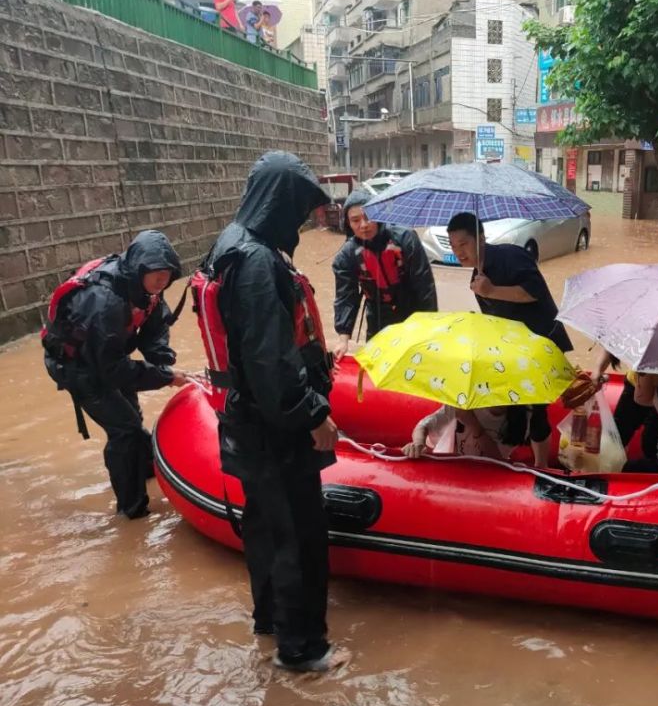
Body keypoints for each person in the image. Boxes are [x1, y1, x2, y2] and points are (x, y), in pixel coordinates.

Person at [201, 151, 350, 674]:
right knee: (299, 536)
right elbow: (272, 362)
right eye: (301, 209)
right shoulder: (260, 263)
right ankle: (303, 649)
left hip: (243, 421)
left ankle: (269, 622)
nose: (305, 222)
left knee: (264, 527)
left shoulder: (229, 245)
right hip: (276, 428)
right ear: (280, 202)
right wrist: (314, 415)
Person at [41, 231, 188, 519]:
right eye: (156, 274)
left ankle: (145, 468)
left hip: (107, 356)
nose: (162, 281)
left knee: (132, 415)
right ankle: (131, 509)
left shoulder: (147, 292)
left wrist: (162, 360)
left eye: (167, 275)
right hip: (80, 367)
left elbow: (155, 327)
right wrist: (165, 377)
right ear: (139, 270)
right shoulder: (104, 301)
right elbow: (112, 371)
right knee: (125, 429)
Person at [447, 212, 572, 467]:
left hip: (543, 343)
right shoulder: (476, 278)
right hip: (516, 347)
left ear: (480, 239)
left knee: (536, 410)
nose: (459, 252)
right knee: (515, 404)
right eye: (453, 246)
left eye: (464, 244)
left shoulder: (511, 256)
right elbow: (497, 320)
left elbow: (534, 292)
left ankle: (541, 468)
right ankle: (514, 456)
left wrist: (493, 291)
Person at [332, 189, 437, 359]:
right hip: (377, 318)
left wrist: (429, 328)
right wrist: (343, 339)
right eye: (355, 220)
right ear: (348, 223)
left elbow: (425, 287)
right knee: (377, 366)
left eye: (368, 217)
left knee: (413, 365)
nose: (363, 225)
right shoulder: (347, 255)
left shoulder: (405, 238)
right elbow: (346, 296)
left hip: (412, 314)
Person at [402, 405, 511, 460]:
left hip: (490, 474)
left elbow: (497, 459)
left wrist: (472, 423)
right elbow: (424, 425)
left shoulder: (519, 419)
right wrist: (418, 443)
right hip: (454, 465)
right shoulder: (463, 404)